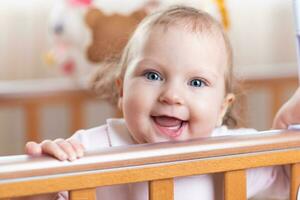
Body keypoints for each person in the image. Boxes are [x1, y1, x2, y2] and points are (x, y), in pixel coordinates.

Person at [25, 6, 294, 200]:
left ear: (222, 108)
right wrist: (42, 180)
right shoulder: (87, 150)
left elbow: (289, 179)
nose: (171, 95)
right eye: (153, 75)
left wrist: (290, 123)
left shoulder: (238, 154)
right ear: (122, 89)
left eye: (196, 82)